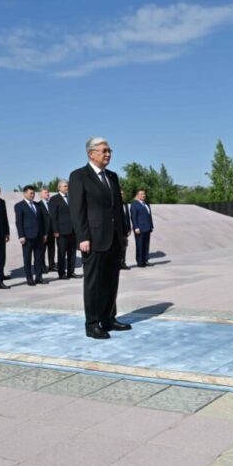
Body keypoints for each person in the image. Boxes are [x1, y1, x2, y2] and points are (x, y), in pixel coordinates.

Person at [69, 137, 131, 339]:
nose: (108, 154)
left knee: (111, 280)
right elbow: (77, 210)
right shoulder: (79, 176)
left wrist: (123, 233)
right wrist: (83, 237)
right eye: (104, 150)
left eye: (109, 150)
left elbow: (118, 208)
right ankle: (93, 323)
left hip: (113, 238)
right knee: (94, 282)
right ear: (91, 153)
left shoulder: (112, 176)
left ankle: (109, 318)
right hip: (93, 239)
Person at [14, 185, 47, 286]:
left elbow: (42, 221)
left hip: (39, 236)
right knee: (27, 259)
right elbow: (19, 222)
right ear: (24, 193)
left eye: (33, 193)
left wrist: (44, 233)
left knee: (38, 258)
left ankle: (39, 277)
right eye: (30, 193)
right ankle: (29, 278)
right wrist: (21, 236)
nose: (32, 195)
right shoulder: (19, 206)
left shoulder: (38, 205)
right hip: (27, 237)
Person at [50, 180, 77, 279]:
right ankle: (61, 273)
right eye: (65, 186)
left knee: (72, 252)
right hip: (61, 231)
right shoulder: (54, 199)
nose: (67, 188)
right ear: (59, 188)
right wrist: (55, 230)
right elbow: (53, 216)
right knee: (61, 253)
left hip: (73, 230)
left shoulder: (71, 198)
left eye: (67, 186)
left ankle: (71, 272)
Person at [130, 189, 154, 267]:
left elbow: (149, 216)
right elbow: (133, 217)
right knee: (140, 245)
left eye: (144, 194)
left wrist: (151, 226)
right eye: (141, 194)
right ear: (137, 195)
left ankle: (146, 260)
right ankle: (140, 262)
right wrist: (136, 227)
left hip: (147, 228)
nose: (143, 195)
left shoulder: (147, 204)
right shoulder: (134, 204)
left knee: (146, 245)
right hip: (139, 229)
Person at [38, 187, 57, 273]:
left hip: (52, 231)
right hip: (43, 232)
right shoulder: (38, 205)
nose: (48, 194)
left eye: (48, 192)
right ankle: (42, 266)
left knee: (52, 249)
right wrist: (43, 233)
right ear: (40, 194)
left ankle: (51, 265)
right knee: (42, 250)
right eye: (45, 193)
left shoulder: (52, 204)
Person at [120, 189, 132, 270]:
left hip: (125, 230)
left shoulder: (125, 204)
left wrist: (129, 228)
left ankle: (122, 263)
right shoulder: (114, 204)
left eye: (123, 194)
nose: (122, 195)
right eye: (120, 194)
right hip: (117, 229)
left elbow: (128, 217)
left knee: (124, 246)